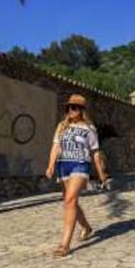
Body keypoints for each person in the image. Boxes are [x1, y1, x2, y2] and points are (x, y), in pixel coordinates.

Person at [45, 94, 107, 257]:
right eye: (69, 107)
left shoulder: (89, 128)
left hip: (81, 164)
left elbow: (95, 153)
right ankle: (86, 227)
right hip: (63, 165)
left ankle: (64, 244)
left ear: (82, 110)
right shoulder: (61, 126)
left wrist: (101, 173)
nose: (71, 110)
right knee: (70, 201)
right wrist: (51, 165)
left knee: (70, 199)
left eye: (75, 107)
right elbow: (56, 147)